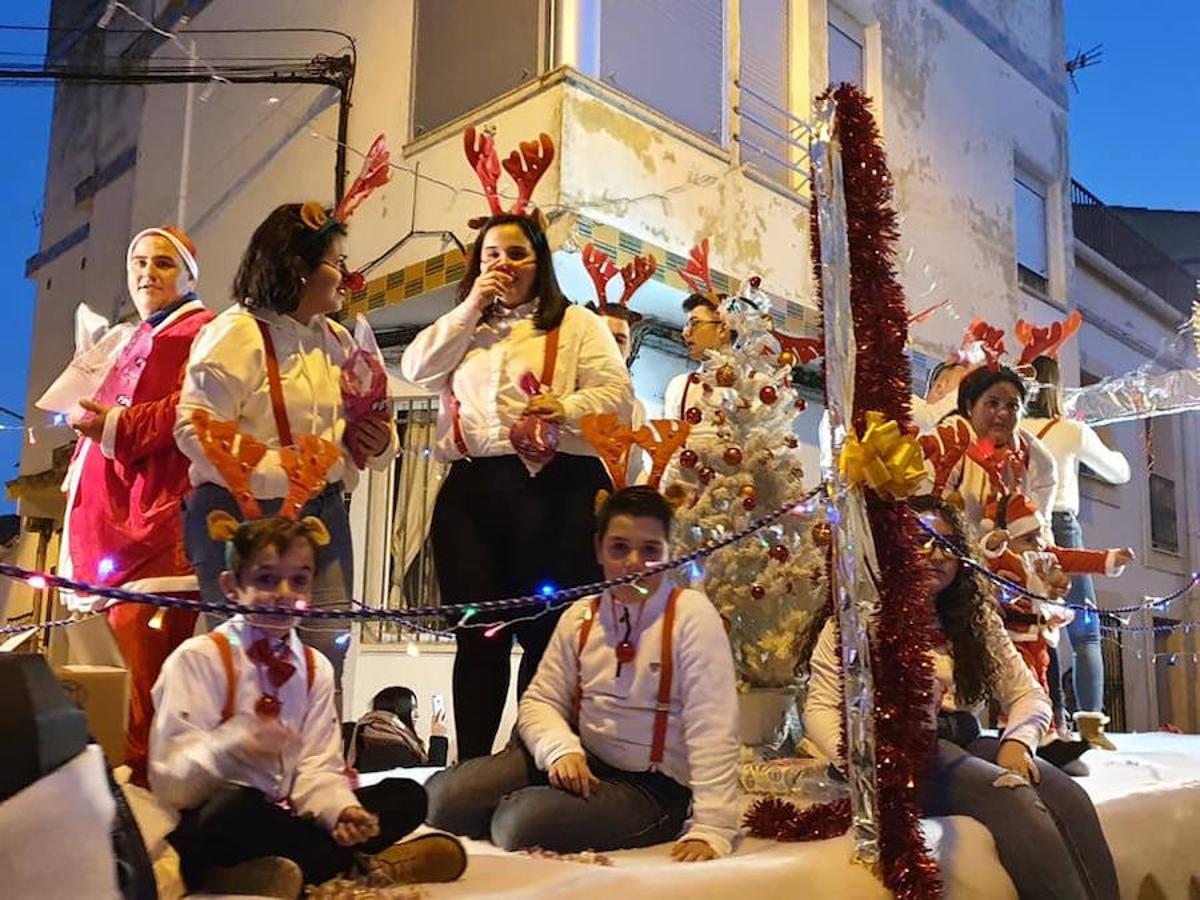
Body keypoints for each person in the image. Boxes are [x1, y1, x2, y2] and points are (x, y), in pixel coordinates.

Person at [400, 212, 632, 760]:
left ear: (540, 263)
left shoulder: (576, 324)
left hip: (557, 488)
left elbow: (616, 395)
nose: (503, 265)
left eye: (516, 254)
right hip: (475, 490)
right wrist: (472, 303)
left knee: (547, 636)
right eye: (491, 256)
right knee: (478, 635)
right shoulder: (466, 328)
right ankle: (473, 765)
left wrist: (565, 405)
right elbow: (415, 367)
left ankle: (529, 757)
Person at [805, 495, 1119, 900]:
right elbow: (820, 708)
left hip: (966, 739)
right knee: (1012, 798)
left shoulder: (973, 621)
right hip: (903, 754)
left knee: (1069, 797)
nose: (935, 554)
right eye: (920, 539)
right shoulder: (855, 622)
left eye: (947, 544)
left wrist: (1017, 743)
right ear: (892, 547)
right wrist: (866, 764)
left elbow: (1029, 695)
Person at [149, 515, 466, 897]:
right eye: (266, 580)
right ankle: (358, 866)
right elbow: (170, 781)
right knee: (233, 809)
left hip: (287, 816)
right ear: (232, 587)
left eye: (298, 580)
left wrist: (340, 811)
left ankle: (289, 870)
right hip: (216, 818)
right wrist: (230, 744)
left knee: (407, 796)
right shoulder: (199, 658)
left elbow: (317, 766)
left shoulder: (315, 668)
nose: (284, 593)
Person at [425, 486, 741, 859]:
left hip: (649, 787)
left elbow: (715, 725)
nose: (634, 563)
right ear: (598, 550)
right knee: (441, 801)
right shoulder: (581, 615)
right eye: (619, 548)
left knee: (516, 823)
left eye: (651, 550)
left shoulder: (691, 616)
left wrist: (712, 827)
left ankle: (528, 807)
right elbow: (540, 700)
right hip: (579, 758)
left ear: (670, 554)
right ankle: (533, 801)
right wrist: (559, 751)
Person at [176, 203, 397, 707]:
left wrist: (380, 443)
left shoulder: (339, 339)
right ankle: (243, 777)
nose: (347, 275)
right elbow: (193, 428)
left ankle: (314, 768)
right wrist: (281, 473)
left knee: (325, 652)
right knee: (245, 659)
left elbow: (367, 425)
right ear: (298, 266)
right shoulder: (235, 334)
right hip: (243, 518)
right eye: (336, 261)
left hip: (323, 514)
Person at [59, 226, 214, 786]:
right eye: (140, 263)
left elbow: (197, 405)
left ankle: (148, 801)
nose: (148, 273)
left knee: (148, 679)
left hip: (154, 525)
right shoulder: (126, 337)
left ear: (189, 276)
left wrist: (116, 425)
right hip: (109, 532)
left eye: (164, 264)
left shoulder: (206, 330)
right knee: (113, 679)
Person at [1024, 354, 1131, 749]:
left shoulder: (1013, 430)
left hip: (1023, 529)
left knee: (1033, 626)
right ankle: (1090, 723)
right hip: (1063, 527)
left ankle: (1045, 716)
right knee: (1084, 631)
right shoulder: (1071, 430)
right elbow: (1120, 472)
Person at [919, 364, 1058, 539]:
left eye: (1012, 406)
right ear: (970, 405)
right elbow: (926, 520)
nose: (1003, 413)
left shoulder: (1037, 458)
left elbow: (1040, 532)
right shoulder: (945, 443)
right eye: (992, 403)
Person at [348, 686, 449, 772]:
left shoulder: (373, 735)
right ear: (400, 709)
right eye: (412, 708)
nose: (417, 714)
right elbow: (430, 775)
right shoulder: (388, 745)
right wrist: (438, 737)